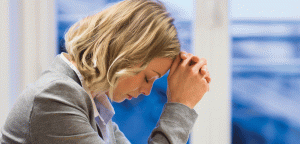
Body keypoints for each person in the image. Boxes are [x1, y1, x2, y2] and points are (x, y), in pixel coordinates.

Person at [0, 0, 211, 143]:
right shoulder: (55, 97)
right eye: (148, 77)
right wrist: (180, 106)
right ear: (127, 53)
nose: (147, 91)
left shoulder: (98, 112)